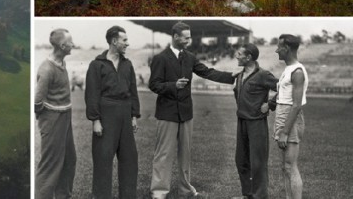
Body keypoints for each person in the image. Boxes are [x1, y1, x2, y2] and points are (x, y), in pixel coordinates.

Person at [148, 21, 235, 199]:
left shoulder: (190, 57)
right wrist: (174, 85)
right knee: (163, 154)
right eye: (186, 37)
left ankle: (185, 190)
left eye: (189, 37)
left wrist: (230, 76)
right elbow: (154, 84)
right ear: (175, 37)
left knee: (185, 155)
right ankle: (159, 192)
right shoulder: (160, 58)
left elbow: (207, 72)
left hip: (186, 113)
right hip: (167, 113)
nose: (189, 40)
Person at [85, 26, 140, 199]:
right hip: (106, 115)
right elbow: (91, 94)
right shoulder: (96, 65)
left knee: (130, 160)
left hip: (125, 114)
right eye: (124, 40)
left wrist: (133, 116)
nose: (127, 43)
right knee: (103, 160)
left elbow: (133, 91)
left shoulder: (127, 64)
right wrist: (95, 120)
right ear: (114, 41)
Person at [232, 44, 278, 199]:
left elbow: (285, 88)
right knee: (241, 160)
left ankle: (259, 196)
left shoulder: (263, 75)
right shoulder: (239, 75)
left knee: (257, 162)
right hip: (242, 121)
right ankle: (247, 195)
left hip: (257, 123)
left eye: (239, 53)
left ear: (249, 56)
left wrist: (270, 105)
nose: (236, 56)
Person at [34, 29, 76, 199]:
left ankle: (63, 196)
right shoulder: (46, 69)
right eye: (70, 41)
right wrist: (47, 119)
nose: (73, 44)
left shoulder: (62, 63)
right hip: (53, 119)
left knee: (69, 160)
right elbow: (37, 101)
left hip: (66, 116)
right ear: (62, 45)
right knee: (50, 166)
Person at [274, 34, 308, 199]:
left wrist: (285, 132)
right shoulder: (288, 69)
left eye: (279, 47)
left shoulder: (297, 71)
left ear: (286, 49)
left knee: (290, 166)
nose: (276, 50)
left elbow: (296, 104)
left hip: (290, 120)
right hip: (284, 116)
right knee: (285, 167)